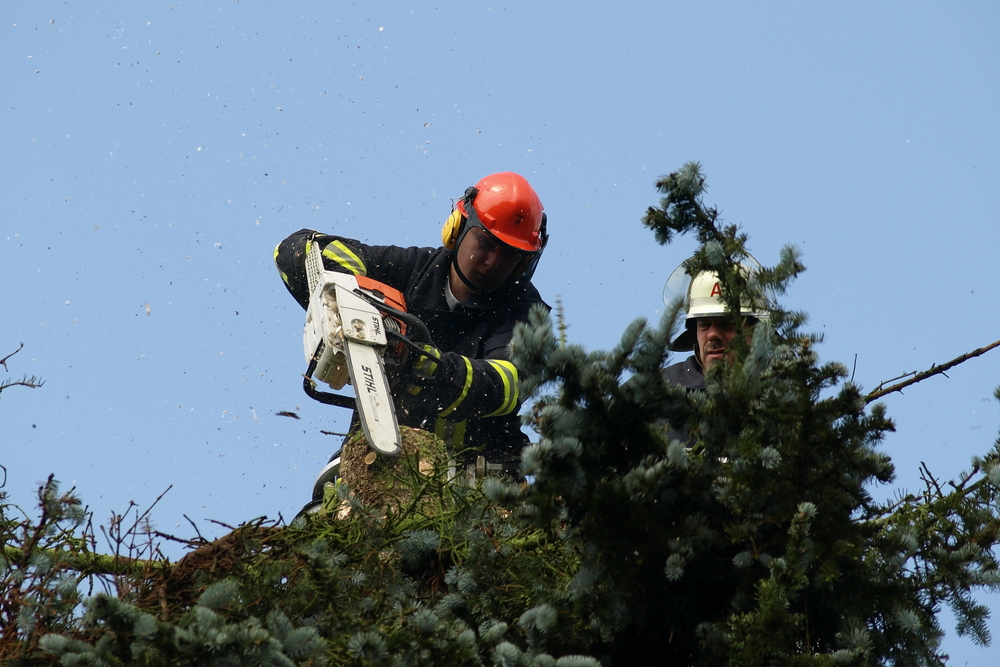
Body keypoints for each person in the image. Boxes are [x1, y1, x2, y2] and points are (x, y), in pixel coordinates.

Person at [274, 172, 549, 495]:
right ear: (457, 228)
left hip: (480, 479)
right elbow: (296, 250)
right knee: (323, 511)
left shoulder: (528, 315)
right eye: (486, 243)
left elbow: (504, 386)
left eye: (509, 255)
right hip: (379, 457)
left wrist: (421, 362)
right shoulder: (412, 269)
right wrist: (357, 301)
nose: (492, 261)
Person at [660, 267, 769, 443]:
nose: (712, 335)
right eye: (704, 324)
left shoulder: (783, 398)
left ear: (757, 333)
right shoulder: (655, 392)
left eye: (727, 323)